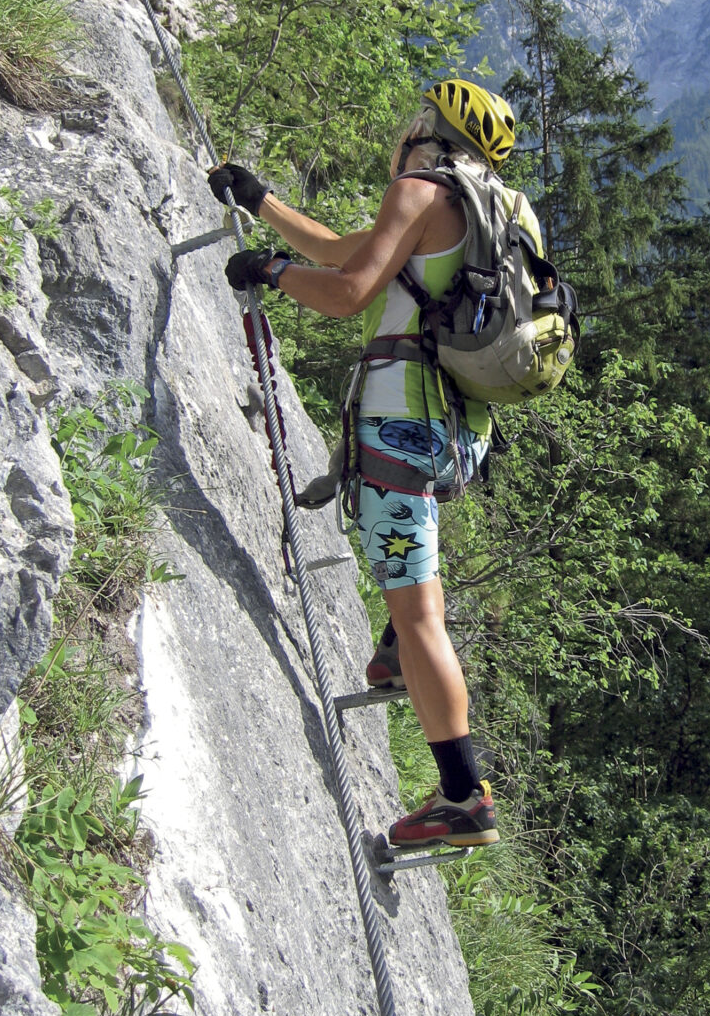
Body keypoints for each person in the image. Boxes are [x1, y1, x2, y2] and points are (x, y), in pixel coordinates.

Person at [208, 79, 517, 851]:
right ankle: (389, 655)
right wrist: (266, 205)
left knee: (420, 613)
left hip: (402, 425)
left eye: (411, 124)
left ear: (427, 134)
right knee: (410, 598)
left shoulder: (421, 188)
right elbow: (356, 251)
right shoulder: (493, 206)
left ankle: (461, 796)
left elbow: (348, 290)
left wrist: (270, 274)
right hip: (460, 426)